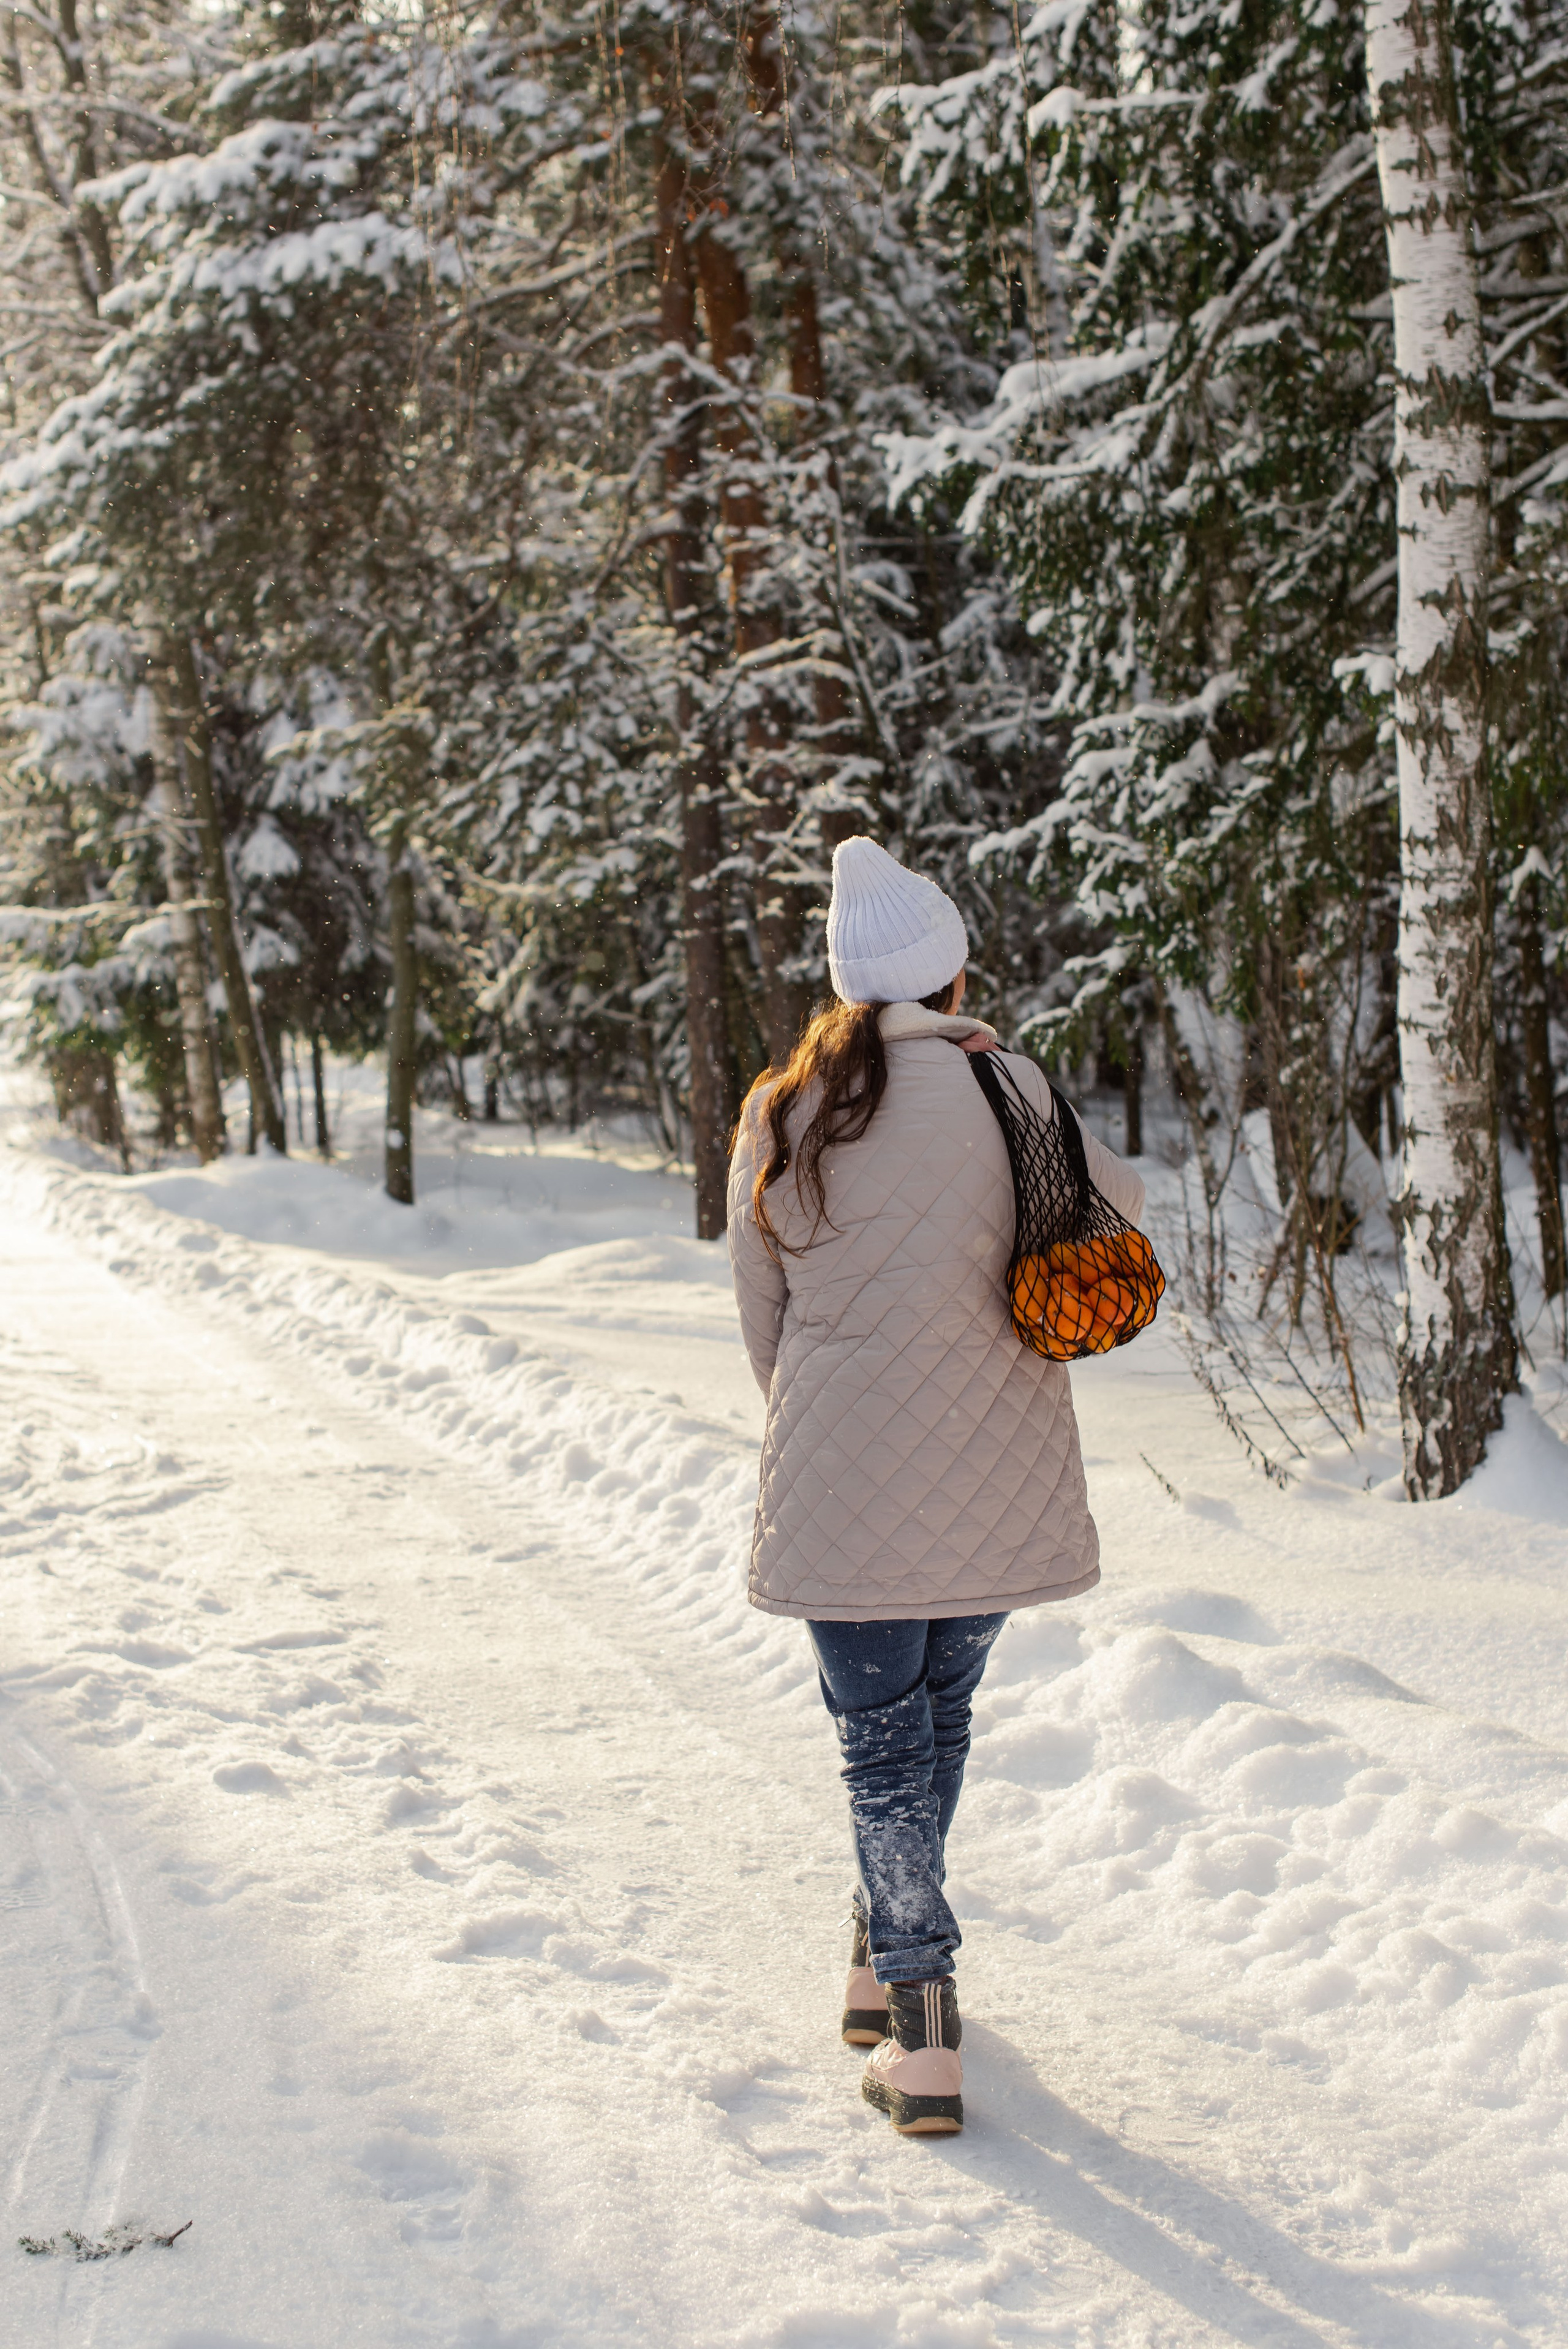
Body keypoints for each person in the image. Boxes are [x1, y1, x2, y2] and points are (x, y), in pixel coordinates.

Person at [727, 836, 1145, 2137]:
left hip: (842, 1473)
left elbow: (761, 1313)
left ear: (853, 988)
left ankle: (914, 2021)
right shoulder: (1008, 1084)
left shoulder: (786, 1110)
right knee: (932, 1728)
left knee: (879, 1752)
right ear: (952, 973)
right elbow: (1117, 1218)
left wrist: (820, 1429)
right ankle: (886, 1966)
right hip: (997, 1467)